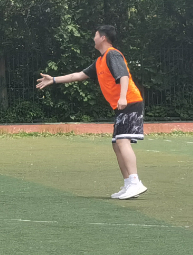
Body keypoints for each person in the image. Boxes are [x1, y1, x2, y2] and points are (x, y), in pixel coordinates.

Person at [36, 25, 148, 200]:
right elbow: (78, 75)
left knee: (122, 141)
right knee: (117, 144)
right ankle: (128, 184)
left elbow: (124, 76)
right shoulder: (99, 61)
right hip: (121, 106)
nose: (93, 38)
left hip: (130, 102)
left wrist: (122, 97)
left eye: (95, 35)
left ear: (103, 38)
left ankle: (135, 182)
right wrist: (54, 80)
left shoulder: (112, 54)